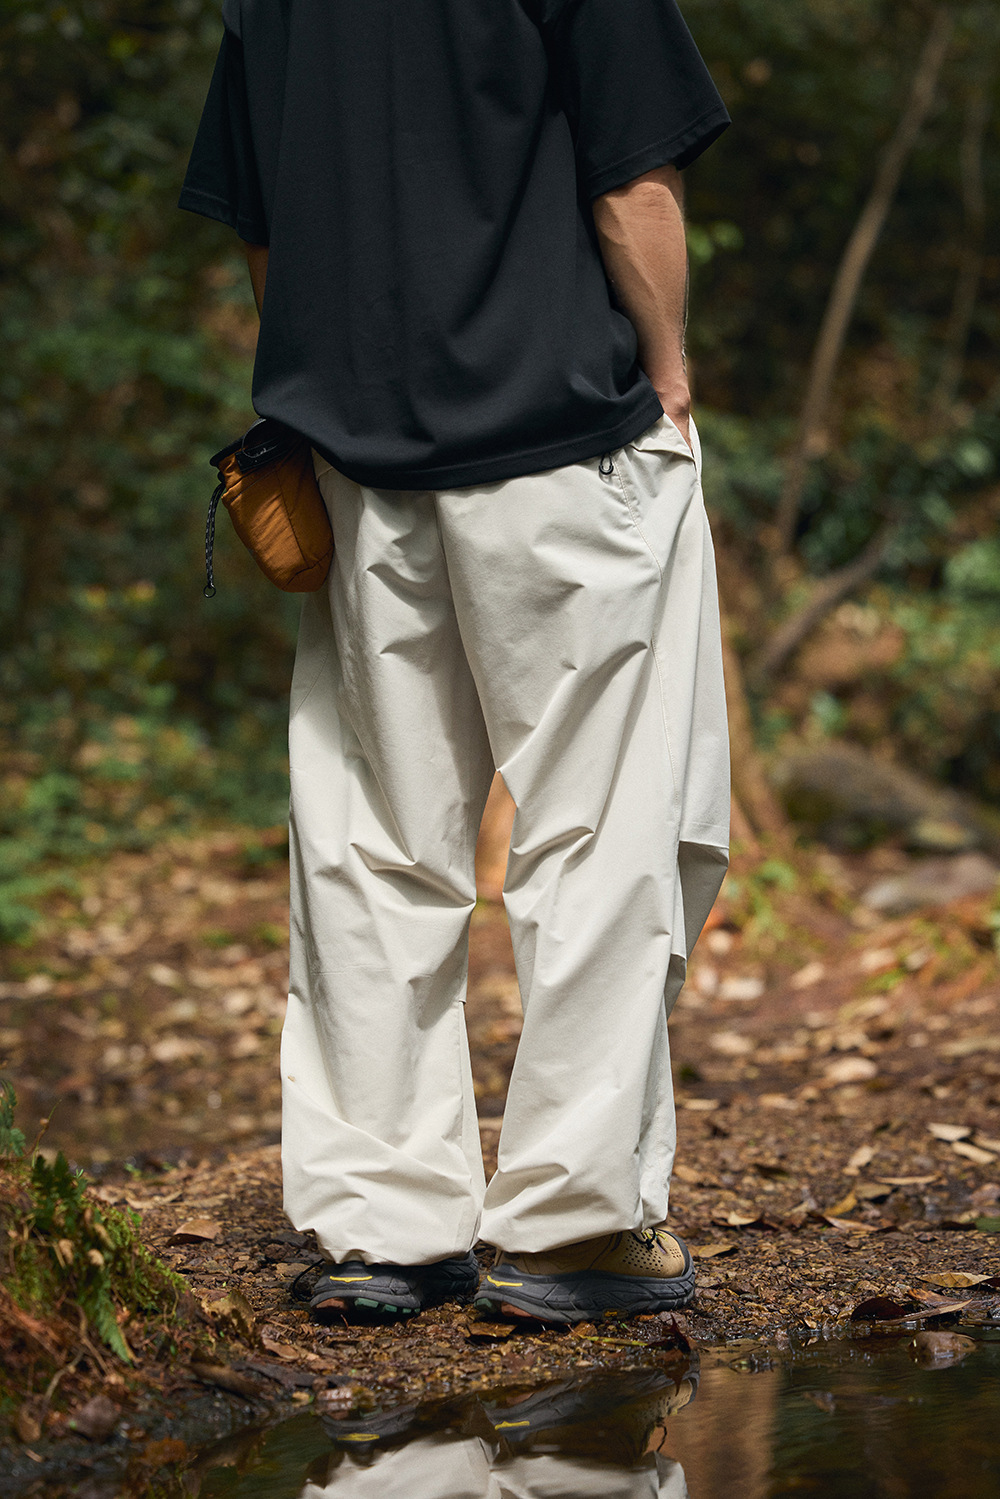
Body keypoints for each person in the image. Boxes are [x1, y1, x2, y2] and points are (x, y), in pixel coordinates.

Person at [180, 0, 731, 1325]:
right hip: (566, 445)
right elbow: (633, 189)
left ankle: (384, 1229)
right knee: (603, 829)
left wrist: (350, 399)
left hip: (358, 460)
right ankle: (575, 1226)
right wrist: (667, 372)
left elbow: (265, 228)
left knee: (370, 842)